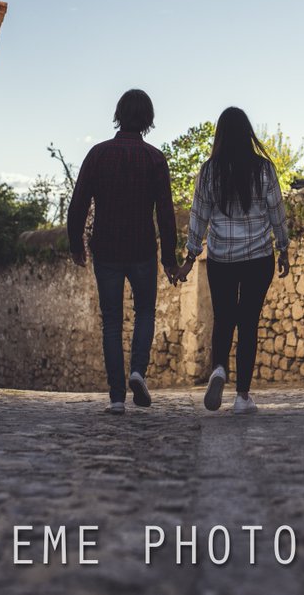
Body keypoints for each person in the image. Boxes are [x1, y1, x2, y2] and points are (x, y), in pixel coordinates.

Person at [67, 89, 179, 415]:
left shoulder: (98, 154)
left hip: (107, 249)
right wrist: (169, 259)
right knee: (145, 313)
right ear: (148, 120)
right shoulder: (155, 159)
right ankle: (138, 371)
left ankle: (116, 397)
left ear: (118, 115)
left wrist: (76, 245)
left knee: (112, 322)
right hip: (142, 248)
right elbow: (166, 213)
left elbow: (78, 204)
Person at [175, 107, 289, 415]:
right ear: (247, 133)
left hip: (221, 258)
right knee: (248, 322)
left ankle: (219, 369)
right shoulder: (264, 169)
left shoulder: (209, 171)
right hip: (258, 257)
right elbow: (277, 212)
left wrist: (189, 258)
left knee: (223, 317)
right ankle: (242, 397)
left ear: (221, 135)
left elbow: (198, 217)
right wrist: (283, 248)